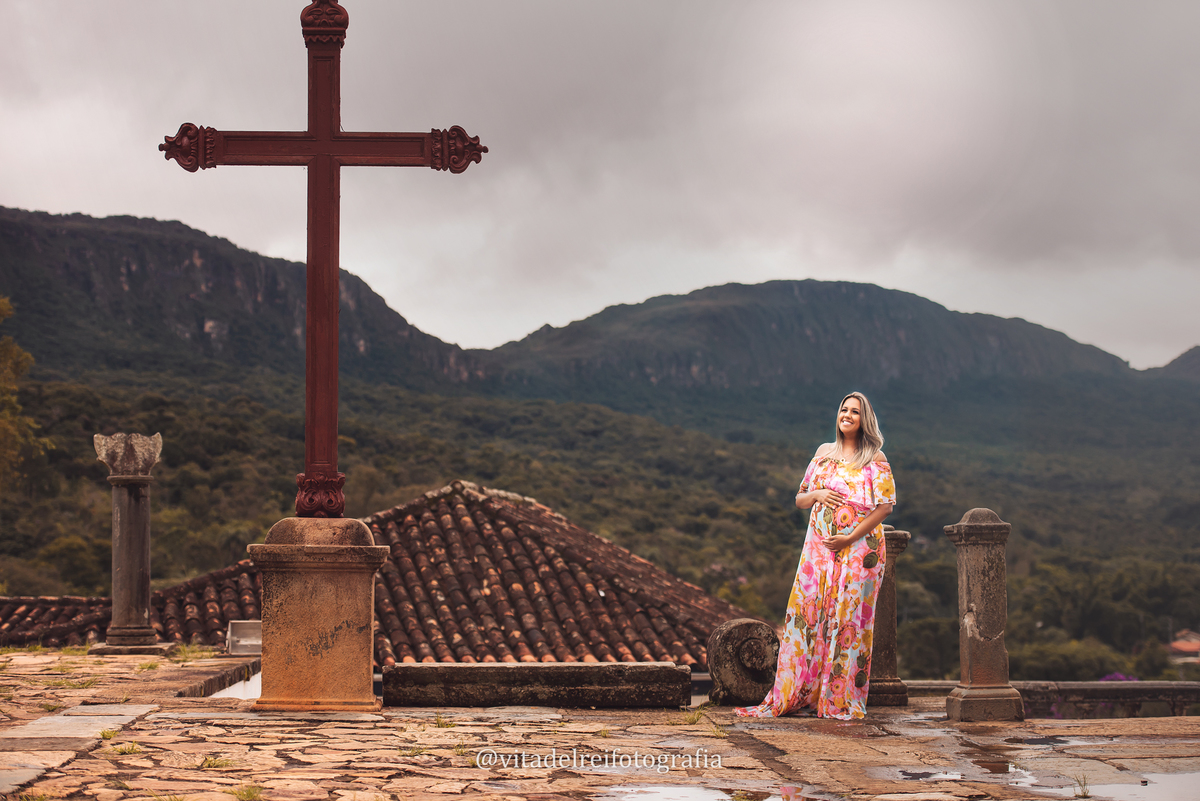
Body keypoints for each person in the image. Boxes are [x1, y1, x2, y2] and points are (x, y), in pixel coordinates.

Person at [736, 391, 896, 720]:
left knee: (848, 622)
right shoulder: (824, 453)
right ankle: (802, 691)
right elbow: (800, 499)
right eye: (844, 409)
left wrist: (850, 536)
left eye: (855, 411)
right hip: (819, 551)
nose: (847, 414)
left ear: (864, 419)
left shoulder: (875, 458)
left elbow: (885, 506)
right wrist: (817, 493)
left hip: (858, 550)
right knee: (809, 616)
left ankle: (838, 699)